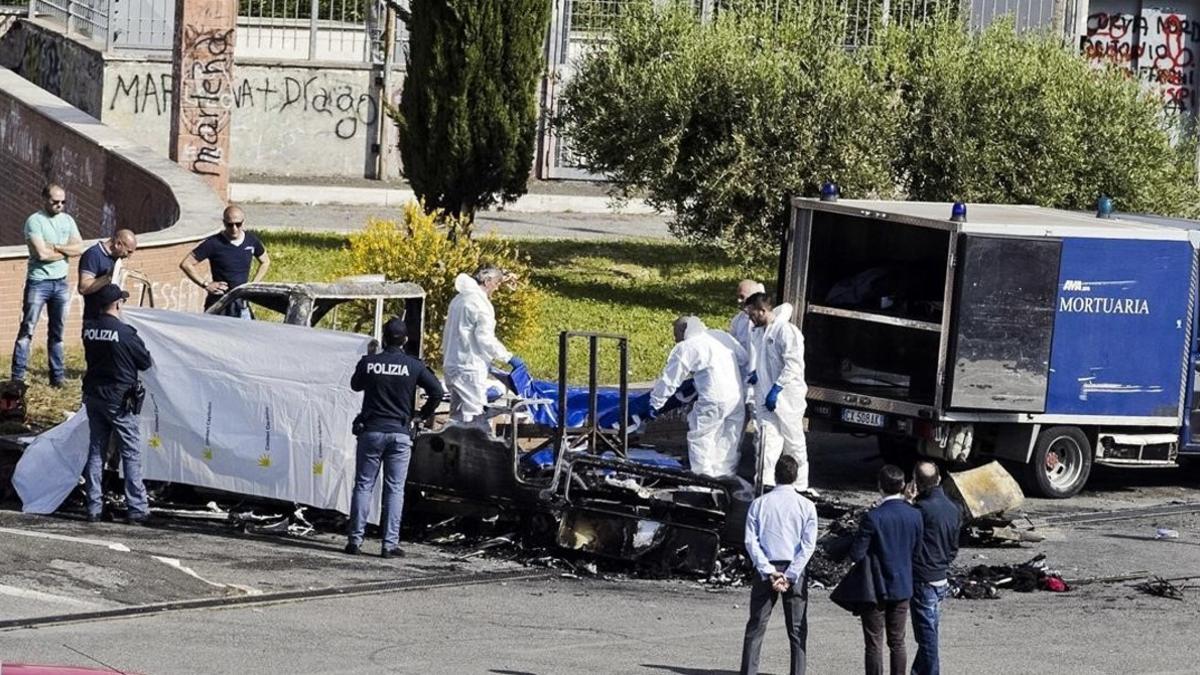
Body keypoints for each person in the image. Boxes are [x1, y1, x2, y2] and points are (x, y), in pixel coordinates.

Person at [345, 317, 444, 558]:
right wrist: (422, 415)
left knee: (363, 485)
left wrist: (369, 357)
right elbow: (437, 392)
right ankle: (389, 545)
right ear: (406, 340)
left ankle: (355, 541)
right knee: (395, 489)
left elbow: (355, 385)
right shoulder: (414, 365)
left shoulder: (370, 363)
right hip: (400, 434)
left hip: (371, 431)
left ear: (384, 337)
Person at [80, 284, 153, 524]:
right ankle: (137, 508)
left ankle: (93, 506)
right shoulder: (125, 332)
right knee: (130, 451)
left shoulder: (88, 329)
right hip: (119, 398)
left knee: (96, 449)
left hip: (93, 394)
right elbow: (145, 362)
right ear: (118, 304)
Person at [739, 455, 818, 675]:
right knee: (797, 628)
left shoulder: (759, 504)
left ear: (775, 475)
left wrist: (769, 571)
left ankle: (748, 671)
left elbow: (750, 541)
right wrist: (790, 574)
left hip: (766, 569)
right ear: (796, 477)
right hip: (796, 571)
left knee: (756, 625)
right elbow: (808, 545)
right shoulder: (807, 506)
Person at [647, 316, 748, 478]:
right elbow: (743, 358)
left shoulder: (687, 347)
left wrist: (655, 403)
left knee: (701, 437)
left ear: (683, 330)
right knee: (728, 438)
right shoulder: (720, 335)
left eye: (676, 335)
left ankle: (703, 481)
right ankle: (725, 477)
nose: (675, 340)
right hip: (736, 396)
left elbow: (670, 379)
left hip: (713, 399)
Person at [850, 465, 924, 675]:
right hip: (902, 585)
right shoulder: (915, 515)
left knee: (874, 643)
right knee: (898, 641)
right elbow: (917, 551)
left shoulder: (873, 517)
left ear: (880, 486)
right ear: (902, 485)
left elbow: (856, 553)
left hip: (875, 587)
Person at [11, 184, 84, 386]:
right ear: (45, 200)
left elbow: (79, 247)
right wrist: (65, 251)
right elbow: (41, 254)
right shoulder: (35, 221)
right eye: (55, 202)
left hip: (61, 283)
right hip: (39, 282)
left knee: (57, 332)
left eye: (63, 202)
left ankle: (57, 377)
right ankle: (17, 377)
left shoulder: (67, 220)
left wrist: (58, 247)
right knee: (27, 329)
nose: (59, 205)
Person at [742, 292, 810, 492]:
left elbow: (793, 365)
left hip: (787, 398)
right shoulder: (759, 332)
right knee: (766, 443)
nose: (750, 318)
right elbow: (766, 360)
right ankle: (764, 484)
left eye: (752, 313)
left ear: (763, 310)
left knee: (793, 442)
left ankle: (800, 487)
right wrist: (758, 374)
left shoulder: (786, 332)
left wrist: (777, 388)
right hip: (766, 395)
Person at [441, 266, 524, 429]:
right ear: (487, 281)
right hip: (470, 369)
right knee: (476, 418)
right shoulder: (480, 303)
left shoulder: (458, 299)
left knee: (457, 418)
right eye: (497, 283)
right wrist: (508, 357)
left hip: (452, 364)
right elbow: (484, 338)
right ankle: (480, 452)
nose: (497, 287)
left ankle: (453, 451)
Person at [910, 461, 961, 675]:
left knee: (927, 638)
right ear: (938, 480)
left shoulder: (920, 510)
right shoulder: (953, 508)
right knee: (929, 632)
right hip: (940, 576)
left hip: (924, 579)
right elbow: (953, 548)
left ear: (916, 483)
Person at [179, 205, 270, 317]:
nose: (234, 229)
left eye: (238, 224)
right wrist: (206, 284)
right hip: (219, 303)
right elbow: (186, 264)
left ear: (243, 222)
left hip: (242, 303)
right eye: (230, 224)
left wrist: (253, 285)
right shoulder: (213, 243)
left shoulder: (251, 241)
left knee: (245, 333)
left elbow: (265, 261)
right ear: (224, 222)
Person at [79, 229, 138, 320]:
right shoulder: (93, 255)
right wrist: (108, 277)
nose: (128, 257)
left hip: (110, 317)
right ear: (118, 244)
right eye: (128, 252)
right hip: (95, 319)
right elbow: (83, 288)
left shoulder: (115, 258)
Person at [730, 279, 765, 360]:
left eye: (742, 297)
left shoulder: (766, 319)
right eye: (738, 297)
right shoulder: (737, 320)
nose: (738, 301)